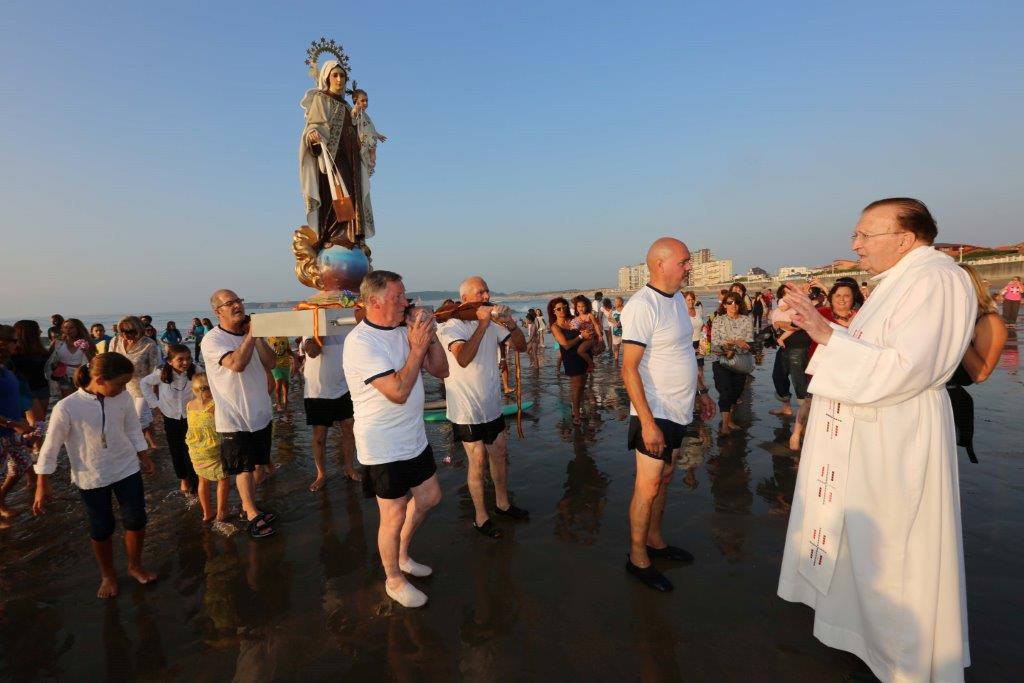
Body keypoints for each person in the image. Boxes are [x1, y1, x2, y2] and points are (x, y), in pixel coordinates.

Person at [777, 198, 975, 681]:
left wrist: (824, 331)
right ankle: (866, 641)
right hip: (870, 436)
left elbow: (909, 367)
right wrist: (819, 331)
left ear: (905, 239)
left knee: (897, 552)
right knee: (863, 546)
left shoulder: (937, 280)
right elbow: (869, 351)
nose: (855, 245)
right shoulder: (899, 282)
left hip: (897, 439)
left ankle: (903, 658)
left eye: (865, 235)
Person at [342, 271, 448, 608]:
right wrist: (416, 347)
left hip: (413, 436)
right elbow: (399, 391)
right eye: (398, 297)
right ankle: (393, 579)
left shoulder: (405, 331)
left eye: (405, 296)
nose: (406, 302)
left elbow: (442, 370)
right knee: (394, 512)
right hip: (382, 445)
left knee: (430, 497)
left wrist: (429, 338)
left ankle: (402, 555)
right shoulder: (361, 343)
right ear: (374, 301)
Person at [621, 237, 716, 591]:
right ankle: (637, 557)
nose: (690, 267)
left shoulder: (676, 300)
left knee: (665, 477)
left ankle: (656, 540)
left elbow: (684, 352)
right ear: (661, 264)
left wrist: (701, 392)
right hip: (654, 410)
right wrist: (647, 422)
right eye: (685, 261)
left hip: (679, 408)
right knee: (646, 486)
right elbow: (628, 368)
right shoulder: (642, 306)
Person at [33, 353, 158, 598]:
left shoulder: (122, 398)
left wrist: (144, 457)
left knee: (136, 519)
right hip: (91, 475)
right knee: (102, 527)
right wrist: (41, 482)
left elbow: (132, 428)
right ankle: (108, 575)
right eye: (120, 383)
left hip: (126, 468)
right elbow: (51, 446)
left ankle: (135, 565)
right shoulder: (67, 407)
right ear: (100, 379)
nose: (124, 388)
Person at [438, 276, 529, 540]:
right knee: (477, 460)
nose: (486, 296)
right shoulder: (450, 326)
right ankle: (481, 517)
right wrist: (483, 323)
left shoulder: (493, 325)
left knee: (499, 453)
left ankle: (503, 504)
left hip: (491, 403)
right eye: (480, 292)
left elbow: (521, 347)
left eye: (487, 291)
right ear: (466, 298)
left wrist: (510, 324)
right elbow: (464, 359)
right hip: (465, 408)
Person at [202, 290, 278, 539]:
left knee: (258, 466)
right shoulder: (212, 340)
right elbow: (236, 364)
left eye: (239, 301)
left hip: (260, 413)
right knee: (243, 468)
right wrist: (251, 335)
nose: (237, 306)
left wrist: (257, 338)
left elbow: (272, 362)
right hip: (234, 417)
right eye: (230, 303)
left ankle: (249, 506)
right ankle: (252, 513)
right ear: (218, 311)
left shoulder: (249, 335)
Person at [300, 58, 372, 251]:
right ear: (327, 77)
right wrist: (313, 134)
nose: (340, 79)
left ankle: (353, 236)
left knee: (353, 193)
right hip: (332, 156)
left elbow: (360, 130)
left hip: (351, 157)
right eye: (335, 75)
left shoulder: (348, 107)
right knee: (336, 193)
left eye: (343, 76)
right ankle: (332, 234)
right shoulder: (321, 99)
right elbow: (314, 124)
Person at [788, 281, 864, 450]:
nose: (842, 300)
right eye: (838, 296)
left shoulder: (861, 317)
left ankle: (830, 436)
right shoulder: (823, 312)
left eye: (846, 296)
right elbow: (797, 323)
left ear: (854, 298)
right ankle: (796, 434)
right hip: (820, 365)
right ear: (831, 297)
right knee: (809, 401)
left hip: (847, 367)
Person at [945, 264, 1009, 462]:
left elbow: (980, 374)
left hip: (950, 403)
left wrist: (958, 330)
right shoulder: (941, 316)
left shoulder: (988, 321)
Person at [300, 328, 359, 491]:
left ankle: (349, 467)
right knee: (319, 436)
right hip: (317, 392)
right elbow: (312, 352)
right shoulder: (311, 330)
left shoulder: (345, 326)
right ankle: (321, 474)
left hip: (344, 388)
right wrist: (323, 329)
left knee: (349, 431)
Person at [140, 344, 198, 497]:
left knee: (191, 449)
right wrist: (155, 404)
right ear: (170, 361)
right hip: (171, 417)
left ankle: (195, 483)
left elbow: (206, 384)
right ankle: (183, 478)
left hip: (191, 416)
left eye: (188, 358)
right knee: (176, 450)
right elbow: (144, 383)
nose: (185, 362)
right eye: (180, 359)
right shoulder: (161, 372)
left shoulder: (196, 370)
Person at [184, 372, 233, 532]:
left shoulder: (189, 405)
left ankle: (206, 513)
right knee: (223, 479)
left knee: (202, 480)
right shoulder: (214, 405)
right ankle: (221, 512)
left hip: (196, 450)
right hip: (213, 449)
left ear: (193, 389)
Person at [1, 326, 36, 525]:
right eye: (14, 340)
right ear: (2, 343)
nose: (18, 343)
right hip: (5, 429)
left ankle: (1, 499)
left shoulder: (5, 367)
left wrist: (20, 421)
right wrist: (12, 423)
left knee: (21, 465)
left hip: (12, 429)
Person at [108, 316, 161, 446]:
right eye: (122, 331)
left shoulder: (149, 344)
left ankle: (135, 448)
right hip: (119, 387)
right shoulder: (115, 341)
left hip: (141, 388)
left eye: (129, 331)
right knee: (137, 419)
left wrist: (155, 392)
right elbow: (109, 360)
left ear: (138, 329)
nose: (125, 335)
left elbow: (155, 369)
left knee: (137, 419)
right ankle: (153, 444)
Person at [710, 292, 754, 436]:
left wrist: (738, 343)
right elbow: (715, 342)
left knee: (736, 393)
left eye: (736, 302)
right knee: (726, 391)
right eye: (729, 302)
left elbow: (749, 342)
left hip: (740, 362)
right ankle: (725, 425)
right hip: (721, 361)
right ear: (724, 305)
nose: (733, 305)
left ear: (740, 304)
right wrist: (735, 342)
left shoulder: (746, 320)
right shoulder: (718, 320)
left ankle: (729, 420)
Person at [548, 297, 591, 424]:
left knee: (582, 385)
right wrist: (580, 336)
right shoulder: (555, 327)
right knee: (576, 387)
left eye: (564, 307)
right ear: (553, 311)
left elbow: (587, 325)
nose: (562, 310)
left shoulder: (574, 320)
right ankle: (576, 414)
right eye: (559, 309)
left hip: (583, 354)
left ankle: (577, 409)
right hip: (570, 357)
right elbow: (565, 345)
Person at [11, 320, 51, 426]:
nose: (41, 331)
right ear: (29, 332)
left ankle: (29, 441)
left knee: (39, 421)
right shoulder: (14, 352)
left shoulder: (39, 349)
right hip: (26, 389)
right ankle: (36, 443)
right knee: (37, 422)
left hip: (42, 387)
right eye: (38, 329)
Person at [267, 336, 295, 412]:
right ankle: (278, 404)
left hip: (286, 364)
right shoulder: (269, 339)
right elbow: (266, 352)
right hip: (275, 365)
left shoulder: (285, 337)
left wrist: (295, 357)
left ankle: (285, 399)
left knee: (286, 384)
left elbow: (289, 350)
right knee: (278, 383)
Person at [684, 291, 705, 385]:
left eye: (692, 299)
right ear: (684, 300)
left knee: (700, 367)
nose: (691, 302)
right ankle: (693, 389)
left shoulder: (698, 310)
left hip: (700, 342)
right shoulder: (682, 312)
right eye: (688, 300)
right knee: (690, 369)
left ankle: (702, 389)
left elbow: (702, 326)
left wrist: (704, 341)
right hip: (688, 344)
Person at [610, 297, 624, 365]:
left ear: (621, 302)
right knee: (616, 347)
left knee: (626, 347)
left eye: (616, 302)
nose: (614, 303)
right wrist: (615, 322)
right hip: (615, 331)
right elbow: (609, 319)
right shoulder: (613, 311)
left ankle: (626, 362)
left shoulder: (625, 310)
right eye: (614, 302)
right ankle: (616, 360)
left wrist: (621, 323)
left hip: (624, 331)